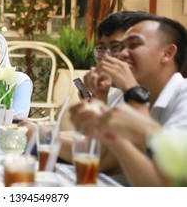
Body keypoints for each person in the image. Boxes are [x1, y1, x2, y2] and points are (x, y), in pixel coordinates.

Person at [70, 15, 187, 186]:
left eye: (134, 45)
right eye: (122, 47)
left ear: (167, 53)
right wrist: (105, 127)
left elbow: (170, 183)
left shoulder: (182, 95)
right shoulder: (149, 100)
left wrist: (132, 90)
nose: (121, 55)